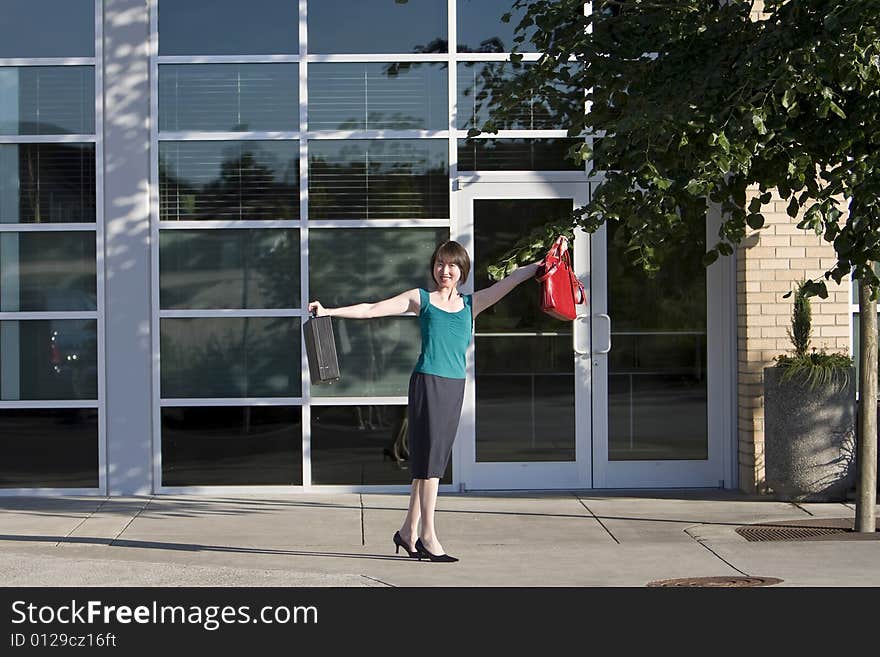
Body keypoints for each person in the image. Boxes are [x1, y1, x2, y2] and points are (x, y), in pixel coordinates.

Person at [308, 240, 542, 563]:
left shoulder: (471, 305)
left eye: (452, 265)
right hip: (427, 383)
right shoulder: (422, 300)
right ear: (434, 267)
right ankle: (429, 537)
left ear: (462, 271)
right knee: (431, 465)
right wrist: (329, 311)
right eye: (440, 264)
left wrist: (542, 266)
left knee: (428, 465)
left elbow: (511, 280)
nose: (445, 271)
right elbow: (372, 309)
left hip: (454, 387)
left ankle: (407, 532)